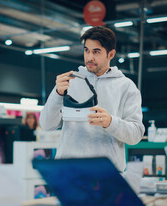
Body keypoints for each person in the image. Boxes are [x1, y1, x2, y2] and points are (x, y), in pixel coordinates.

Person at [39, 26, 145, 178]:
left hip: (107, 175)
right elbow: (46, 124)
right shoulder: (69, 81)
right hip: (68, 173)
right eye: (86, 50)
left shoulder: (126, 87)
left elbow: (136, 135)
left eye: (96, 52)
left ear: (111, 54)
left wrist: (110, 122)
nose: (89, 57)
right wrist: (57, 94)